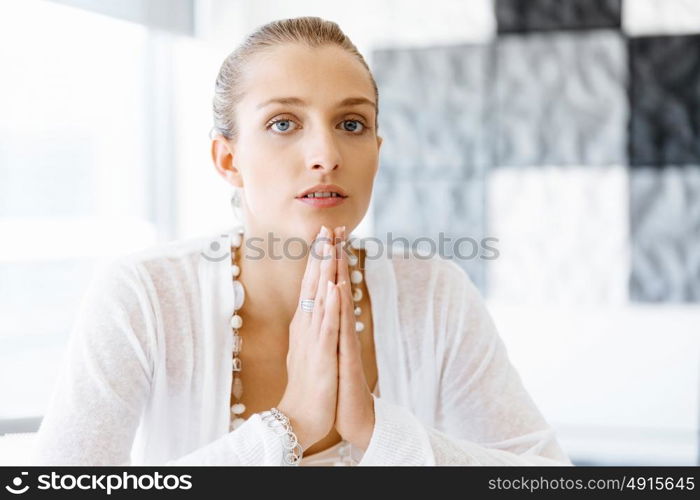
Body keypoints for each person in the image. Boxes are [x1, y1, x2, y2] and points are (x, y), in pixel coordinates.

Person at [30, 16, 572, 466]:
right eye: (285, 123)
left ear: (376, 151)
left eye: (352, 124)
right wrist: (288, 427)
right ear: (228, 159)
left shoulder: (433, 292)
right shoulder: (143, 296)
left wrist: (377, 428)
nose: (326, 154)